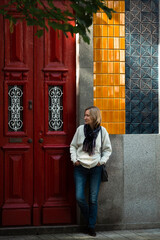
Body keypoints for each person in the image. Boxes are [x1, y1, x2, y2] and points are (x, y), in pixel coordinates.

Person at [70, 106, 112, 237]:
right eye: (84, 115)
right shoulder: (80, 130)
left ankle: (91, 226)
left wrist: (102, 161)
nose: (85, 117)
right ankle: (90, 220)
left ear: (94, 116)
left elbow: (107, 149)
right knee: (79, 197)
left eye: (87, 115)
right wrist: (74, 159)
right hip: (80, 167)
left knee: (93, 199)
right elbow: (73, 145)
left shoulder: (102, 131)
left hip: (96, 167)